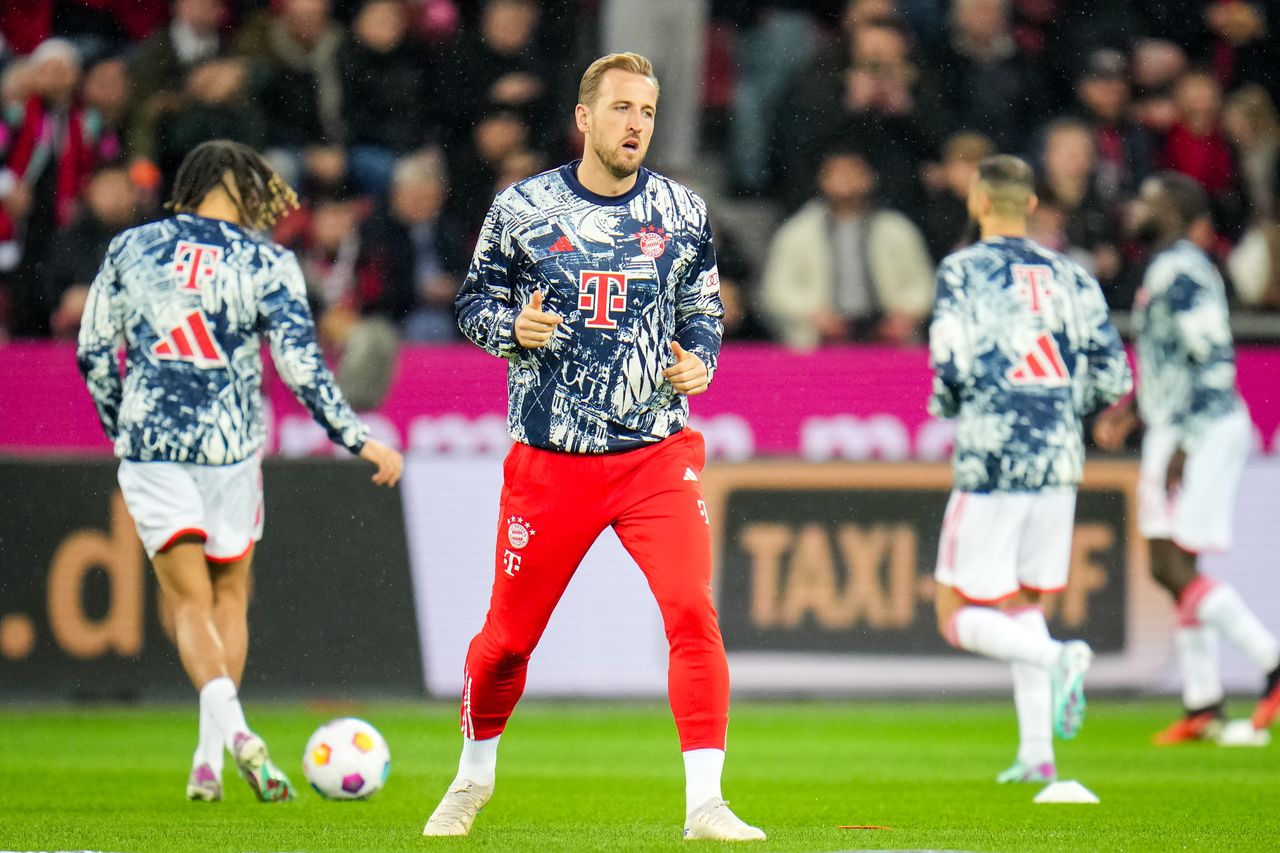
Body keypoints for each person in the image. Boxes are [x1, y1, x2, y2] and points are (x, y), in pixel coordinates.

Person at [423, 53, 764, 842]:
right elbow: (474, 300)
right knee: (508, 640)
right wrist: (512, 328)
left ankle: (705, 802)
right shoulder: (524, 207)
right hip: (552, 459)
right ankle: (473, 774)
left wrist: (699, 360)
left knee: (691, 612)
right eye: (620, 109)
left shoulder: (682, 211)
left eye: (646, 110)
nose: (635, 123)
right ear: (585, 118)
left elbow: (704, 309)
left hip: (655, 453)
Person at [75, 140, 403, 802]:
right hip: (230, 448)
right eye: (257, 188)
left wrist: (124, 429)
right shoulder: (267, 259)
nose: (264, 200)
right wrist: (357, 438)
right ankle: (233, 739)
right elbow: (301, 366)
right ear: (231, 185)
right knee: (228, 595)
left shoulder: (132, 249)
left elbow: (91, 353)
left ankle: (213, 753)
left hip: (155, 444)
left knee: (188, 601)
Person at [929, 155, 1132, 783]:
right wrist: (1073, 414)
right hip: (1059, 458)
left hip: (993, 455)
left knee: (955, 612)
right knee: (1021, 601)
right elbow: (1114, 372)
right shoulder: (1072, 274)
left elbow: (950, 359)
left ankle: (1059, 657)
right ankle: (1037, 753)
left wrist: (955, 404)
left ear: (979, 203)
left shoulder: (963, 269)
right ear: (1034, 207)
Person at [1094, 172, 1280, 743]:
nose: (1135, 208)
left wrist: (1184, 441)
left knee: (1172, 564)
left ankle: (1269, 658)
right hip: (1170, 427)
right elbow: (1171, 359)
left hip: (1201, 431)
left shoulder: (1185, 269)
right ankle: (1203, 704)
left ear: (1175, 210)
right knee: (1169, 565)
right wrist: (1136, 409)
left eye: (1147, 199)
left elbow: (1215, 360)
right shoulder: (1162, 268)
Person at [761, 146, 934, 348]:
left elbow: (923, 283)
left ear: (870, 178)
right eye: (837, 173)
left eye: (853, 172)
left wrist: (906, 313)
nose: (845, 179)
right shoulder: (797, 233)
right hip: (821, 340)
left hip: (887, 336)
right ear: (822, 180)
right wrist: (813, 314)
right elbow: (777, 290)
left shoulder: (897, 230)